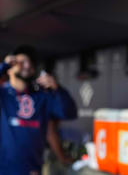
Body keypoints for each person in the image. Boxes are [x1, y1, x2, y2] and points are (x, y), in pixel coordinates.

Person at [0, 45, 77, 175]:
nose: (27, 65)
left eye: (30, 62)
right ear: (10, 69)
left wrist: (57, 89)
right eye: (21, 62)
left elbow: (69, 113)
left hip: (33, 170)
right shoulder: (3, 95)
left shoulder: (42, 97)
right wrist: (3, 65)